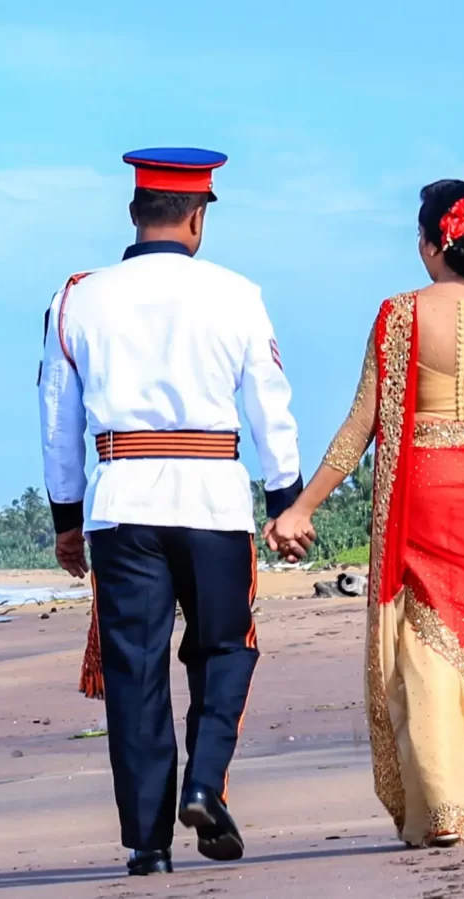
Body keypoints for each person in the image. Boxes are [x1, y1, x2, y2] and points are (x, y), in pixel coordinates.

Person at [263, 179, 464, 848]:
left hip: (426, 488)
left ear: (439, 241)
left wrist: (302, 507)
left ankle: (441, 804)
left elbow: (362, 425)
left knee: (424, 643)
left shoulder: (400, 313)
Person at [37, 147, 304, 876]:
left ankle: (147, 844)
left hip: (122, 500)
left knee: (134, 672)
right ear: (197, 217)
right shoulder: (237, 293)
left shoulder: (78, 297)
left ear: (134, 212)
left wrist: (66, 516)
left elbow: (57, 421)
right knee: (225, 649)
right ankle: (205, 783)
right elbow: (269, 405)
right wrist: (285, 498)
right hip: (213, 498)